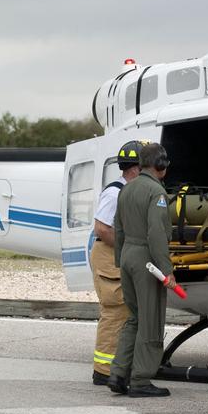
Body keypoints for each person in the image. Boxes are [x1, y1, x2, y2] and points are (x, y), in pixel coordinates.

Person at [109, 142, 180, 398]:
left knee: (135, 318)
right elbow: (156, 233)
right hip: (146, 259)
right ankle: (140, 380)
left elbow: (118, 228)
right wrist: (166, 270)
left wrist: (121, 260)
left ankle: (118, 373)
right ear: (161, 165)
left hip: (128, 255)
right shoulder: (156, 192)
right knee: (150, 320)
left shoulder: (126, 189)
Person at [88, 140, 144, 386]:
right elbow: (102, 228)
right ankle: (104, 370)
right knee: (115, 311)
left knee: (126, 310)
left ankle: (120, 365)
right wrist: (128, 248)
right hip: (109, 255)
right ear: (136, 168)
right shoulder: (115, 193)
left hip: (117, 255)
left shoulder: (129, 191)